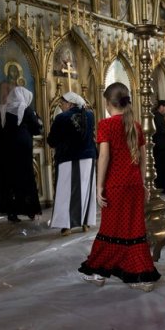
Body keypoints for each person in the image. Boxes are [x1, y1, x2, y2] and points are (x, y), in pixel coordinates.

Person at [78, 82, 161, 290]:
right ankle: (141, 276)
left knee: (109, 228)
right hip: (133, 185)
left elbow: (104, 156)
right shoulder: (136, 125)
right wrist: (142, 184)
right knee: (134, 229)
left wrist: (99, 187)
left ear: (108, 103)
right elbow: (143, 158)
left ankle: (99, 272)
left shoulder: (106, 125)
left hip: (115, 185)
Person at [47, 91, 96, 237]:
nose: (61, 106)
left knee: (66, 192)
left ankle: (66, 225)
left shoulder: (61, 118)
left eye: (62, 103)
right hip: (88, 157)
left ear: (70, 103)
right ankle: (85, 222)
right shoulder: (90, 115)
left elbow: (52, 141)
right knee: (86, 189)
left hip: (68, 158)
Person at [0, 86, 42, 222]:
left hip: (4, 153)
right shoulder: (26, 109)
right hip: (22, 152)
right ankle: (29, 210)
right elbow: (37, 129)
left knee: (9, 182)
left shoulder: (1, 110)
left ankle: (11, 213)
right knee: (25, 179)